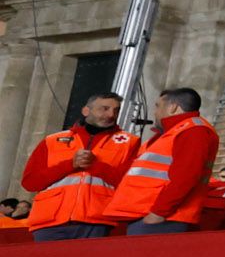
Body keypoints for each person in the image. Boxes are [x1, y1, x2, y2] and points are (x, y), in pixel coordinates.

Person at [21, 91, 140, 242]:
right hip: (50, 222)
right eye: (104, 108)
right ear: (86, 111)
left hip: (99, 222)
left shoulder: (130, 142)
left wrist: (94, 165)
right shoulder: (53, 140)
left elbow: (130, 185)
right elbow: (30, 182)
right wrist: (71, 164)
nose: (111, 114)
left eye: (116, 110)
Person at [102, 88, 221, 236]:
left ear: (173, 107)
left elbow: (186, 176)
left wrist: (158, 213)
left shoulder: (193, 130)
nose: (155, 112)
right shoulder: (173, 133)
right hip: (150, 215)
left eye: (158, 106)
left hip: (161, 217)